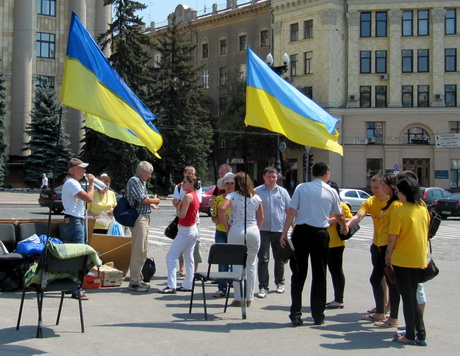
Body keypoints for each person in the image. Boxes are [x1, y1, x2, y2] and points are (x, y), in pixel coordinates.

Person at [280, 162, 348, 326]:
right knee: (320, 274)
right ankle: (318, 314)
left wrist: (284, 233)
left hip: (301, 233)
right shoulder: (331, 191)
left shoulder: (302, 188)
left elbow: (291, 211)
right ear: (326, 174)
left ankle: (296, 313)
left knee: (298, 273)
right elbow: (339, 215)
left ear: (313, 174)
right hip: (320, 234)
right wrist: (345, 226)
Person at [386, 176, 429, 346]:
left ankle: (410, 334)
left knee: (408, 297)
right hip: (419, 257)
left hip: (402, 258)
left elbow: (392, 238)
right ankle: (421, 333)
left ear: (403, 193)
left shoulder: (399, 211)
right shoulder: (422, 209)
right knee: (413, 296)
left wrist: (388, 254)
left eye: (398, 191)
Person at [218, 172, 263, 307]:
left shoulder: (232, 196)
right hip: (253, 229)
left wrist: (225, 226)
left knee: (237, 265)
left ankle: (238, 297)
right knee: (251, 265)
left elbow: (221, 208)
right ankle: (249, 297)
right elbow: (261, 217)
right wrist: (257, 229)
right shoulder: (256, 197)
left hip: (237, 229)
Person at [347, 174, 389, 315]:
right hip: (376, 244)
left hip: (389, 245)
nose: (374, 190)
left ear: (384, 187)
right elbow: (359, 216)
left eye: (377, 187)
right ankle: (382, 304)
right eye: (372, 187)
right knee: (380, 277)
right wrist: (347, 225)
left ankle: (388, 306)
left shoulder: (392, 202)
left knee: (388, 277)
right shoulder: (370, 201)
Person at [363, 174, 402, 326]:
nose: (381, 188)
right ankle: (382, 313)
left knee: (391, 281)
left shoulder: (396, 205)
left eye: (383, 185)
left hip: (386, 247)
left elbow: (394, 232)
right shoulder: (390, 203)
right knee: (379, 279)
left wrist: (388, 252)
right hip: (380, 246)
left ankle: (391, 317)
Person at [160, 175, 201, 294]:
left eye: (185, 182)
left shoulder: (188, 196)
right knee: (189, 257)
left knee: (171, 257)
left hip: (185, 230)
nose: (182, 184)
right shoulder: (194, 195)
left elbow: (182, 215)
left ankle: (171, 285)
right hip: (192, 229)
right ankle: (188, 284)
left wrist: (177, 208)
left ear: (191, 183)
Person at [62, 158, 95, 300]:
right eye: (81, 168)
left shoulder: (73, 183)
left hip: (74, 220)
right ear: (73, 169)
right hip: (75, 222)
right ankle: (77, 289)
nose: (84, 171)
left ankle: (70, 285)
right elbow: (89, 198)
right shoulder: (72, 183)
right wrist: (92, 184)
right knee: (79, 255)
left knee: (73, 255)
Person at [255, 167, 291, 298]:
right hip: (262, 230)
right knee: (263, 259)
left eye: (274, 177)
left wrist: (291, 228)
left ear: (277, 177)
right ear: (264, 177)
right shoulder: (257, 192)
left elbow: (289, 211)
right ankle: (263, 286)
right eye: (269, 176)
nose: (271, 179)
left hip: (279, 230)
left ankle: (280, 283)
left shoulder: (283, 192)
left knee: (280, 258)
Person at [125, 161, 160, 292]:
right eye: (149, 173)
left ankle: (138, 279)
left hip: (144, 218)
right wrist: (154, 200)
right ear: (142, 171)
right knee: (138, 251)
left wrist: (151, 204)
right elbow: (142, 199)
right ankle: (134, 282)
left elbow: (143, 199)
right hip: (139, 218)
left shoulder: (141, 182)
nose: (150, 176)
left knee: (143, 251)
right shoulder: (134, 181)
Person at [325, 181, 353, 309]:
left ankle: (339, 298)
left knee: (336, 271)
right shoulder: (321, 204)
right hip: (322, 242)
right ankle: (321, 297)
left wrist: (335, 219)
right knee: (323, 272)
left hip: (336, 243)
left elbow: (350, 219)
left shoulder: (342, 206)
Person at [173, 166, 203, 276]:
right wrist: (179, 204)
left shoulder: (195, 189)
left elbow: (195, 203)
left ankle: (194, 272)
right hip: (183, 222)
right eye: (189, 173)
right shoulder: (179, 187)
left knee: (173, 255)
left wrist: (180, 205)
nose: (191, 175)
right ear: (184, 173)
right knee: (186, 251)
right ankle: (182, 270)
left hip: (193, 221)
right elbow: (175, 201)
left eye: (193, 173)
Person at [211, 173, 235, 298]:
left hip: (235, 232)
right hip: (221, 231)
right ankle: (222, 287)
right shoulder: (218, 199)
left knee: (235, 260)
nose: (230, 185)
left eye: (232, 183)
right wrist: (222, 220)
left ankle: (234, 284)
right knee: (222, 260)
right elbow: (214, 217)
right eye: (227, 183)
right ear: (223, 185)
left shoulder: (238, 198)